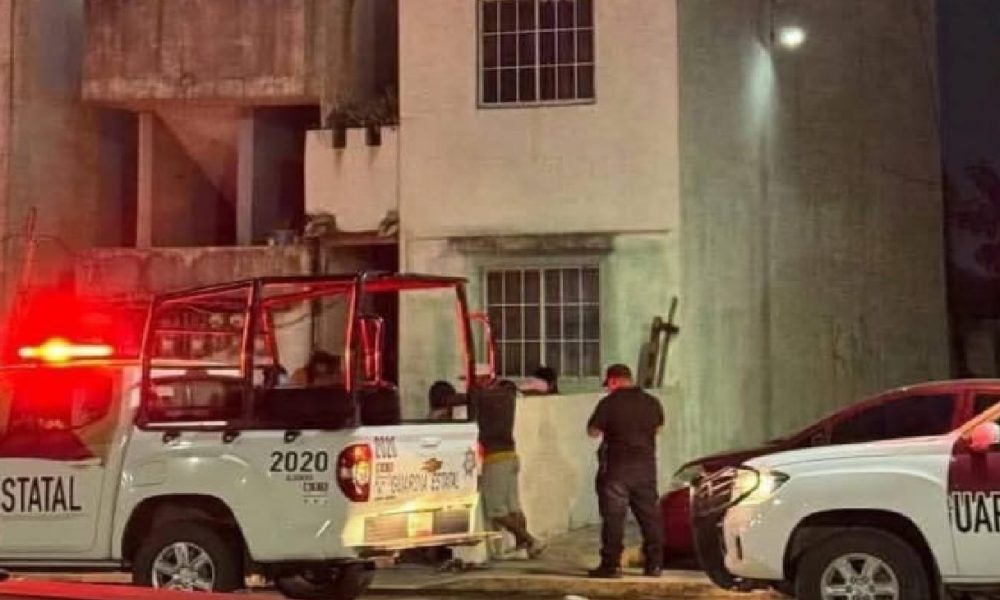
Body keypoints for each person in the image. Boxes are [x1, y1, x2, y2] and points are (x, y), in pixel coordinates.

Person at [586, 363, 665, 579]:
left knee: (614, 519)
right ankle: (654, 564)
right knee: (650, 518)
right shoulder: (651, 402)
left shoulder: (609, 403)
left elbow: (593, 431)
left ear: (613, 380)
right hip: (645, 469)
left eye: (608, 384)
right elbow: (658, 428)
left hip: (616, 470)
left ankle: (611, 565)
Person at [477, 379, 546, 559]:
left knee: (496, 511)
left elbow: (475, 397)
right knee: (514, 507)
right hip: (510, 456)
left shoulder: (492, 401)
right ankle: (522, 545)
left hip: (495, 459)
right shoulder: (508, 402)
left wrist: (477, 388)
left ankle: (531, 540)